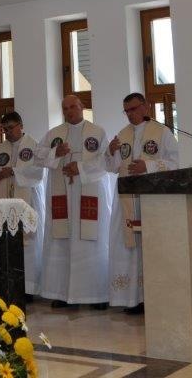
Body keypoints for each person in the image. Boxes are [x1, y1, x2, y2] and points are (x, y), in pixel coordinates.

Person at [35, 94, 112, 309]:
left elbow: (106, 160)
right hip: (62, 196)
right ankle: (62, 293)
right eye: (65, 108)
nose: (69, 111)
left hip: (89, 195)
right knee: (62, 242)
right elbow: (37, 156)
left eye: (72, 107)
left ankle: (96, 295)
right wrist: (55, 152)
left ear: (82, 106)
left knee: (92, 242)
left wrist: (79, 168)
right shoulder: (54, 134)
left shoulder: (97, 132)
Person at [105, 93, 179, 314]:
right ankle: (132, 299)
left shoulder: (162, 132)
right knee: (127, 247)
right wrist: (110, 152)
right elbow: (112, 167)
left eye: (134, 109)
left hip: (151, 199)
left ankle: (152, 298)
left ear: (145, 107)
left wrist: (148, 166)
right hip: (126, 200)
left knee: (150, 247)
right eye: (126, 111)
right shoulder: (122, 134)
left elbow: (176, 162)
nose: (130, 114)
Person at [0, 111, 45, 295]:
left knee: (27, 242)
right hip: (5, 201)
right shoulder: (2, 147)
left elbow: (38, 172)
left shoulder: (33, 145)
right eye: (5, 129)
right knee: (6, 242)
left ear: (21, 125)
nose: (8, 132)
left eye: (11, 128)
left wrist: (14, 171)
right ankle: (8, 284)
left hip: (27, 199)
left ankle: (29, 288)